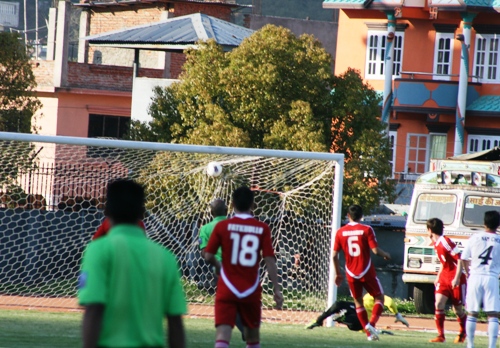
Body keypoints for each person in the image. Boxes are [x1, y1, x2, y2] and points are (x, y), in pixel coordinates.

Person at [78, 179, 186, 348]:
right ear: (142, 212)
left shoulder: (97, 250)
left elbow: (93, 309)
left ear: (107, 210)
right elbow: (175, 322)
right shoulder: (166, 258)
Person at [204, 186, 283, 348]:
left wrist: (219, 266)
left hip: (227, 286)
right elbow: (269, 260)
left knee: (222, 336)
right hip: (251, 288)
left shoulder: (222, 226)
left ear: (232, 205)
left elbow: (208, 255)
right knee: (252, 338)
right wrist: (276, 289)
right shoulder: (262, 228)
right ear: (253, 204)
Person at [332, 204, 391, 341]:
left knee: (358, 302)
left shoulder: (340, 232)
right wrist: (386, 254)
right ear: (361, 216)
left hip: (351, 273)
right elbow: (375, 251)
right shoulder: (366, 229)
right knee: (379, 298)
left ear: (348, 216)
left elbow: (334, 255)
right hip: (366, 270)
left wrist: (338, 273)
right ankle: (371, 325)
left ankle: (369, 334)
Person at [199, 199, 246, 340]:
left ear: (211, 213)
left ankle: (244, 328)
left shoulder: (205, 228)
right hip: (238, 267)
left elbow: (204, 253)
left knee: (227, 303)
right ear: (227, 211)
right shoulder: (236, 225)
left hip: (219, 270)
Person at [453, 210, 500, 348]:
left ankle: (470, 345)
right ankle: (491, 346)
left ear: (484, 223)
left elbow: (464, 258)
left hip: (475, 276)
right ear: (498, 225)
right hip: (491, 277)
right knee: (493, 315)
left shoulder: (475, 237)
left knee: (472, 313)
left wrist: (468, 272)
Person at [427, 218, 467, 343]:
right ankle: (441, 335)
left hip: (456, 278)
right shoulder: (436, 243)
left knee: (458, 310)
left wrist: (456, 278)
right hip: (444, 277)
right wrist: (438, 276)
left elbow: (460, 259)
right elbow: (444, 262)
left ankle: (463, 332)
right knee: (438, 304)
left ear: (430, 230)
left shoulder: (445, 241)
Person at [305, 293, 409, 330]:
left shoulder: (378, 295)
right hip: (357, 313)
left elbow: (390, 302)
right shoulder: (368, 295)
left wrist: (397, 314)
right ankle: (319, 320)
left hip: (361, 322)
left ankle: (344, 317)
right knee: (338, 304)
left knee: (357, 318)